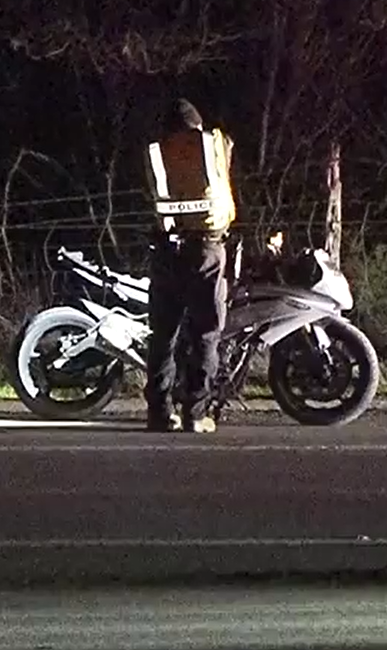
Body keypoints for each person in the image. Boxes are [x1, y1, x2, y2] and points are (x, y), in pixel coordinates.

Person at [140, 98, 238, 433]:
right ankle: (195, 414)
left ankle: (158, 413)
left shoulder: (156, 150)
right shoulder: (213, 144)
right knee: (206, 333)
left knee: (162, 335)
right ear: (197, 124)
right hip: (206, 250)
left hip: (166, 250)